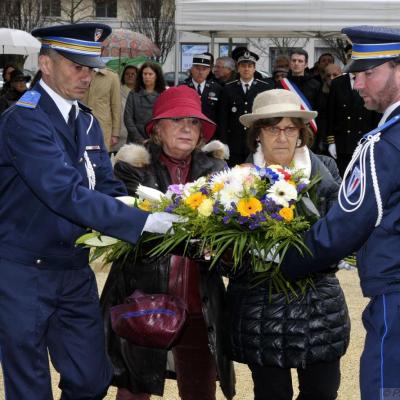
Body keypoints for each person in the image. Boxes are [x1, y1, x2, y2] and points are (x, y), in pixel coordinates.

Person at [0, 22, 178, 400]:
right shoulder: (24, 120)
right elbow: (63, 192)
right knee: (28, 385)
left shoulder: (86, 121)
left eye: (91, 69)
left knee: (90, 378)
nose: (87, 77)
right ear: (46, 65)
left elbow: (105, 185)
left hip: (73, 268)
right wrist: (143, 223)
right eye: (77, 67)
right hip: (23, 270)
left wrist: (151, 203)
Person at [279, 25, 400, 400]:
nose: (357, 84)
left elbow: (343, 228)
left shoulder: (384, 145)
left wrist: (281, 259)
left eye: (368, 73)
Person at [100, 85, 235, 400]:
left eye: (193, 122)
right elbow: (132, 231)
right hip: (141, 297)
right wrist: (195, 235)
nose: (187, 128)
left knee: (200, 391)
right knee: (133, 391)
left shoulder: (217, 170)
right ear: (157, 129)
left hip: (199, 303)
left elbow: (226, 235)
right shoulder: (133, 167)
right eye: (176, 120)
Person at [222, 89, 350, 400]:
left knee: (322, 391)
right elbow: (228, 257)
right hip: (260, 309)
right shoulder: (236, 180)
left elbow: (339, 236)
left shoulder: (326, 173)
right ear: (257, 135)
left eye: (290, 128)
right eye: (272, 128)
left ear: (301, 133)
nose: (282, 137)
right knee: (271, 394)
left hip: (318, 308)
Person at [219, 49, 273, 166]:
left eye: (250, 66)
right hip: (235, 142)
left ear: (254, 68)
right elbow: (223, 118)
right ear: (238, 68)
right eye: (243, 66)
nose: (246, 69)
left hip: (256, 140)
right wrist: (224, 143)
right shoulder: (228, 89)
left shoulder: (264, 88)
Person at [326, 67, 380, 175]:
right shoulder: (338, 82)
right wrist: (331, 142)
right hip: (342, 141)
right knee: (342, 177)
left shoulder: (371, 80)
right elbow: (331, 113)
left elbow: (376, 114)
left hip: (363, 140)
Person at [124, 61, 166, 144]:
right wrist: (140, 139)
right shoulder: (133, 94)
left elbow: (165, 120)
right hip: (135, 140)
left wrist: (155, 138)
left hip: (157, 140)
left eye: (150, 74)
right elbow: (128, 119)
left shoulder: (163, 94)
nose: (147, 77)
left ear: (157, 76)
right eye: (145, 74)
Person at [83, 66, 121, 153]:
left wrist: (115, 133)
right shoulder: (79, 71)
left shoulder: (112, 76)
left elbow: (116, 106)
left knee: (101, 159)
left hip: (103, 127)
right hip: (80, 125)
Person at [183, 53, 222, 124]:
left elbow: (220, 114)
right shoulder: (183, 88)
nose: (200, 72)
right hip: (188, 129)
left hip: (209, 130)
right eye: (197, 68)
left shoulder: (216, 89)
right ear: (192, 69)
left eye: (204, 69)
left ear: (209, 71)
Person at [116, 64, 138, 152]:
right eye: (127, 74)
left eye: (133, 74)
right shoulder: (117, 90)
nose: (130, 76)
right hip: (120, 130)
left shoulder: (140, 92)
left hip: (136, 132)